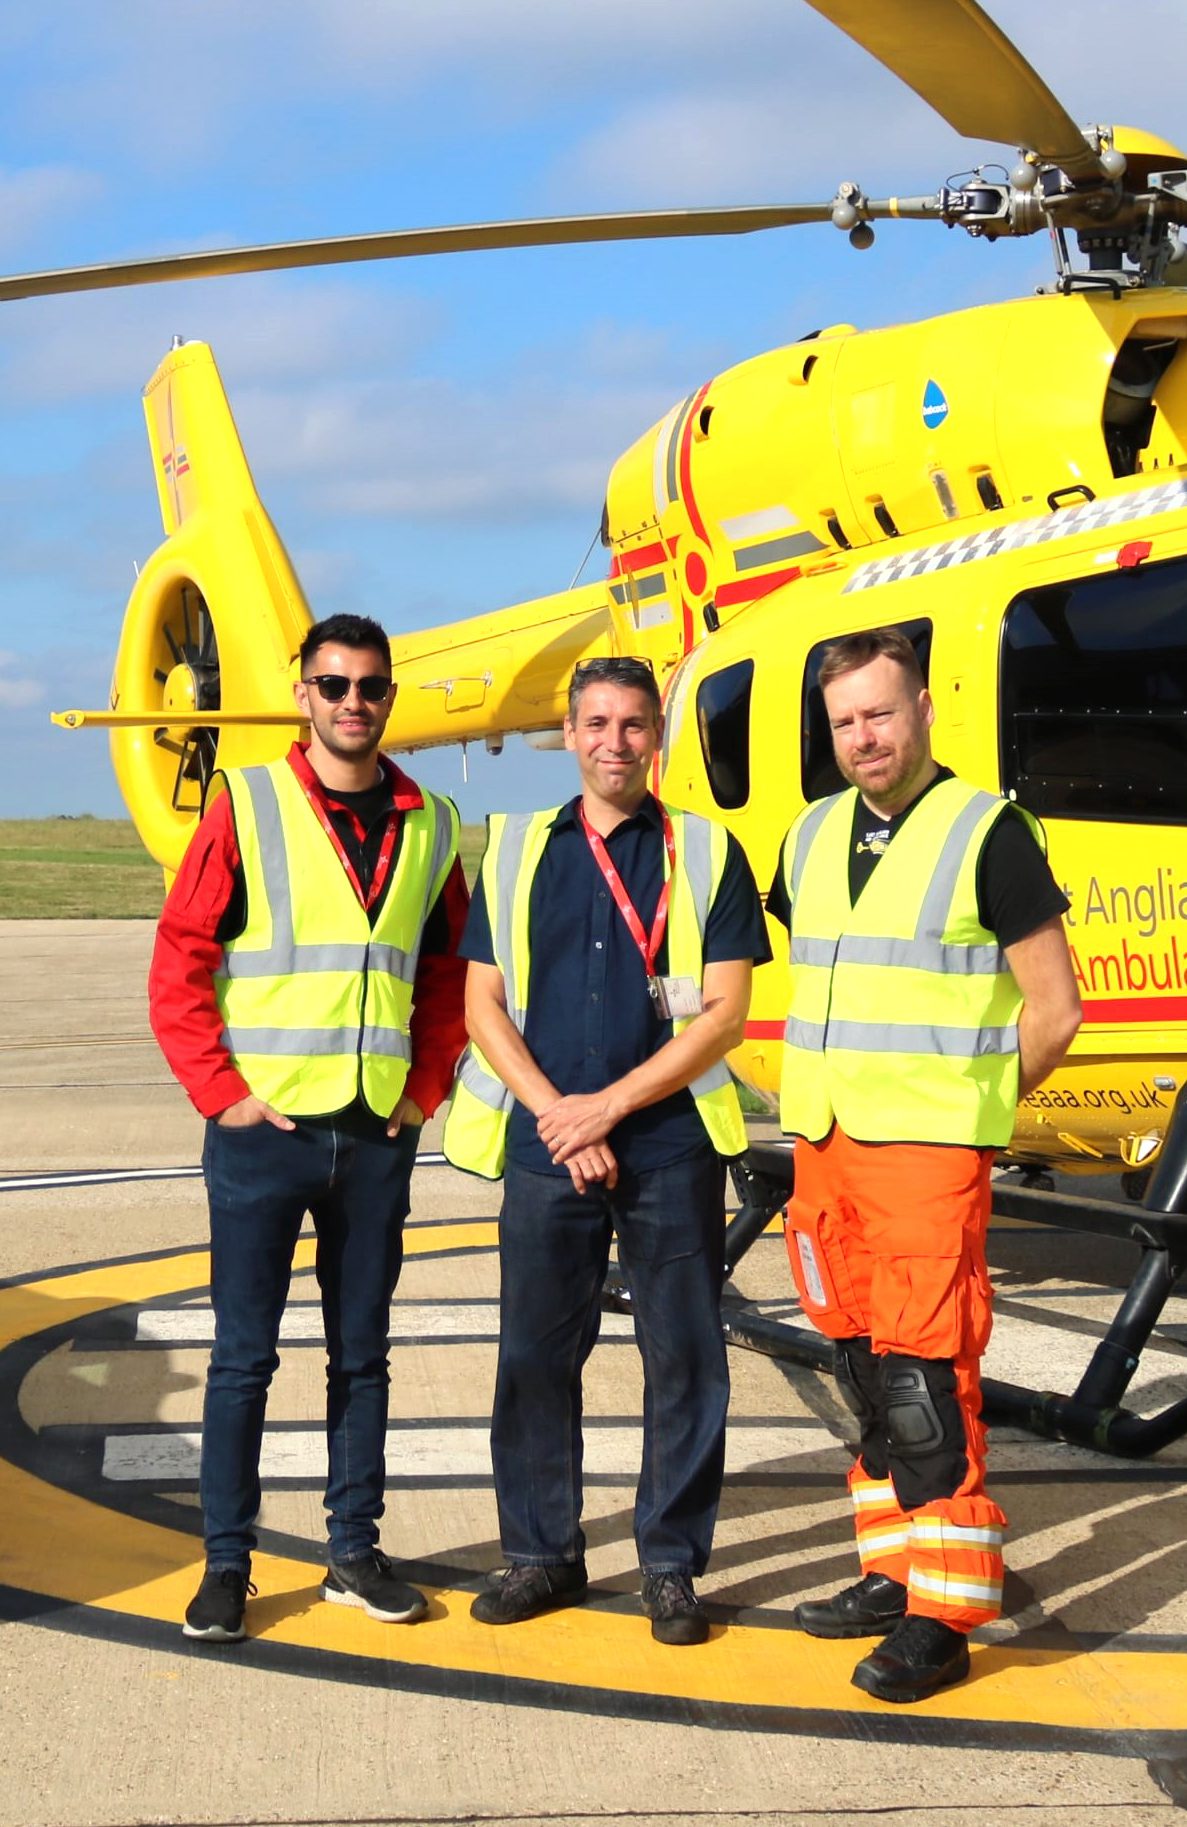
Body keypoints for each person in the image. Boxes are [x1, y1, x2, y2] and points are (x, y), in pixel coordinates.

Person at [768, 626, 1081, 1703]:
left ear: (922, 709)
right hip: (823, 1150)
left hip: (922, 1161)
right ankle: (889, 1570)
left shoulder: (984, 833)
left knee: (921, 1386)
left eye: (879, 713)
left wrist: (971, 1113)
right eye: (843, 719)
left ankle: (941, 1616)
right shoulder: (806, 838)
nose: (862, 736)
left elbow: (1053, 1012)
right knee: (860, 1374)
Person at [149, 612, 468, 1643]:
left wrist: (422, 1090)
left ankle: (350, 1553)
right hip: (263, 1136)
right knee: (244, 1359)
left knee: (361, 1358)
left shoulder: (432, 823)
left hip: (374, 1137)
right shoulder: (246, 805)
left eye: (370, 687)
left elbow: (449, 974)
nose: (352, 704)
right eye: (333, 685)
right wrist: (221, 1093)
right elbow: (180, 962)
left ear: (388, 698)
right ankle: (228, 1564)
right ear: (303, 692)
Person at [444, 655, 770, 1645]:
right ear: (570, 735)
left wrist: (608, 1111)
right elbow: (481, 1005)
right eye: (596, 724)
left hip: (668, 1142)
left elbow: (720, 1016)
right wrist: (558, 1115)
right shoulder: (514, 850)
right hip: (548, 1144)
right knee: (534, 1358)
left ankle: (670, 1566)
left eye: (633, 725)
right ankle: (541, 1553)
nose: (614, 743)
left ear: (652, 738)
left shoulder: (706, 853)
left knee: (684, 1360)